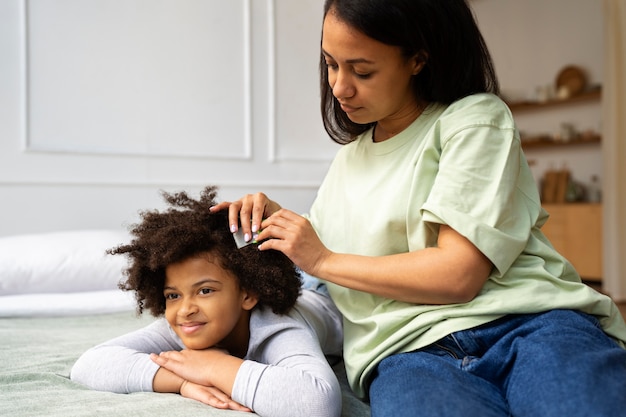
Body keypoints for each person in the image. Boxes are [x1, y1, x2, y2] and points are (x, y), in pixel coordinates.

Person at [211, 1, 626, 416]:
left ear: (418, 59)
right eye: (331, 64)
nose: (339, 87)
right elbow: (323, 259)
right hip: (408, 354)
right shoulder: (348, 161)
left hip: (525, 324)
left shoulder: (473, 120)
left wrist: (321, 258)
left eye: (362, 70)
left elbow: (457, 275)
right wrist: (275, 221)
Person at [70, 186, 343, 417]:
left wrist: (212, 366)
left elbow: (317, 402)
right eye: (173, 295)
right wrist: (181, 380)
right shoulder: (185, 324)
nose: (185, 309)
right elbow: (90, 364)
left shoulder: (278, 327)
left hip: (327, 293)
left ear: (247, 294)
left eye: (205, 291)